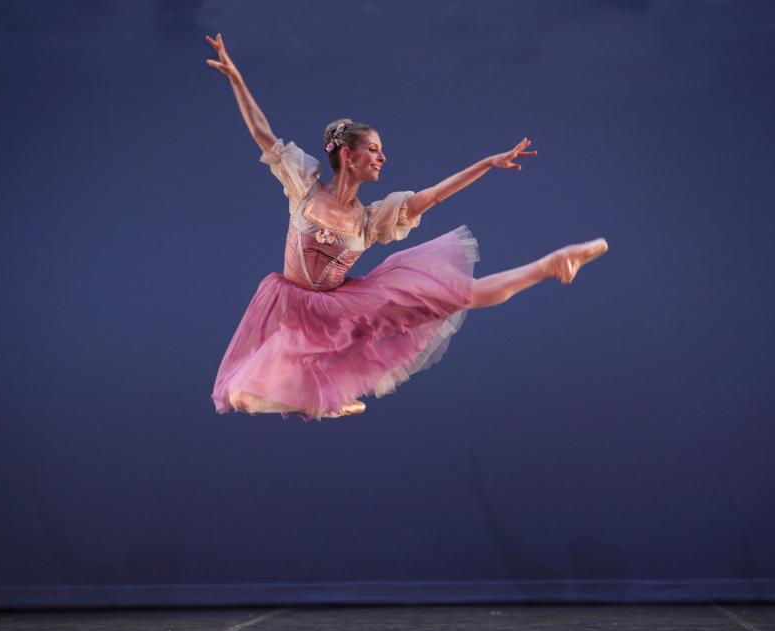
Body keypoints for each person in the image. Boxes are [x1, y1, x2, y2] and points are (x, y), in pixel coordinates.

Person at [205, 33, 608, 421]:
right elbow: (263, 134)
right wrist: (237, 79)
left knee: (457, 296)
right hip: (292, 309)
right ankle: (323, 399)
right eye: (374, 150)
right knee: (241, 396)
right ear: (348, 155)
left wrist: (487, 163)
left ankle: (552, 263)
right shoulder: (304, 187)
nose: (382, 158)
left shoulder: (370, 219)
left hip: (340, 308)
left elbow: (431, 196)